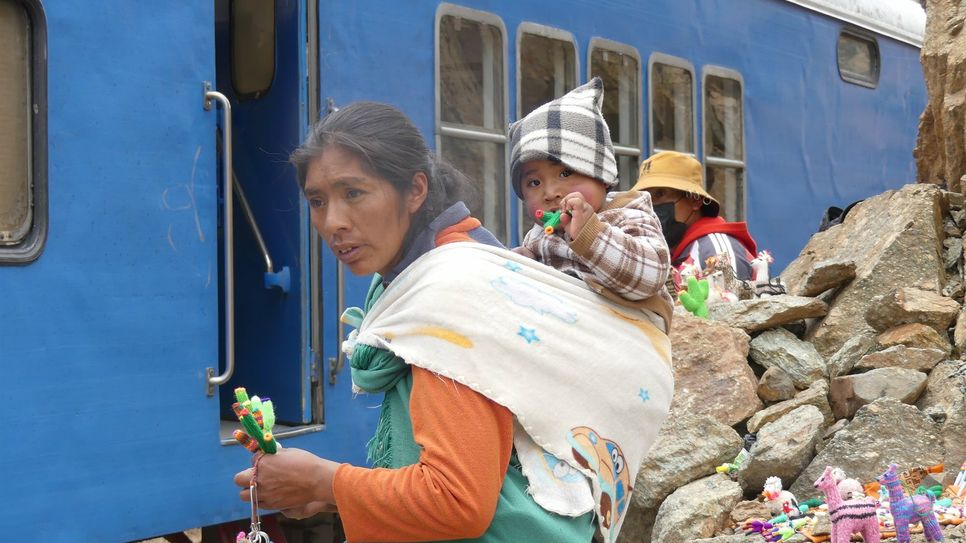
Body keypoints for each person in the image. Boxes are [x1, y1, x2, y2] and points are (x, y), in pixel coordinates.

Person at [234, 101, 673, 543]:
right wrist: (330, 497)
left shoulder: (453, 295)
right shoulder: (424, 280)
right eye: (316, 201)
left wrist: (324, 482)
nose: (333, 223)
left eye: (353, 193)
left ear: (415, 191)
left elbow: (458, 501)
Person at [509, 78, 673, 328]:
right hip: (570, 335)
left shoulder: (627, 213)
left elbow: (651, 276)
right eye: (534, 183)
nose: (550, 192)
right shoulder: (537, 236)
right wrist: (525, 265)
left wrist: (590, 234)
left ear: (603, 177)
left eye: (565, 173)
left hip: (630, 332)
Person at [631, 150, 758, 280]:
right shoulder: (672, 253)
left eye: (660, 194)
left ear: (695, 200)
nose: (651, 206)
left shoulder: (717, 252)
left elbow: (730, 298)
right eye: (645, 197)